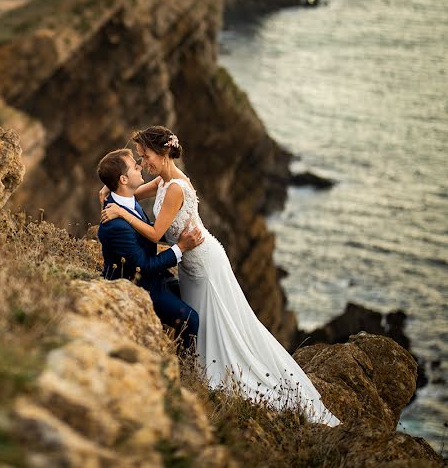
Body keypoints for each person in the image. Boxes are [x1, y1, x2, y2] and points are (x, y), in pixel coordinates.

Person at [100, 126, 340, 426]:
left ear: (161, 153)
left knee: (218, 318)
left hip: (202, 260)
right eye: (138, 159)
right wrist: (110, 193)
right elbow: (131, 191)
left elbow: (155, 233)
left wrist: (121, 214)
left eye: (145, 156)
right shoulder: (164, 179)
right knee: (203, 316)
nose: (142, 162)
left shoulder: (175, 188)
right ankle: (199, 368)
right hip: (189, 260)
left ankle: (219, 372)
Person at [96, 148, 204, 349]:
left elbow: (146, 232)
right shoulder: (115, 224)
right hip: (139, 287)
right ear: (124, 180)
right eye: (134, 166)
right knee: (191, 319)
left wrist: (175, 234)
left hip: (157, 278)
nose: (140, 166)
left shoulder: (127, 200)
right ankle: (185, 369)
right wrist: (180, 248)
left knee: (198, 296)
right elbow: (143, 267)